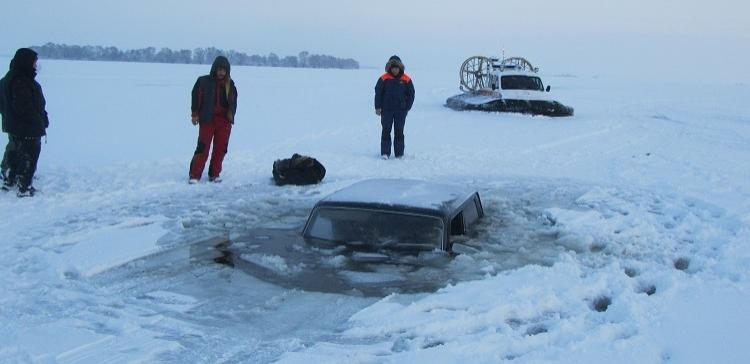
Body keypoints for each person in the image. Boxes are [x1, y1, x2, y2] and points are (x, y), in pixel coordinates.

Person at [0, 48, 49, 197]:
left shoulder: (10, 78)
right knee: (30, 155)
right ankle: (24, 187)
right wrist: (38, 121)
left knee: (15, 151)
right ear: (26, 62)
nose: (36, 65)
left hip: (14, 125)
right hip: (27, 127)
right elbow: (24, 106)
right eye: (34, 62)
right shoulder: (19, 81)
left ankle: (9, 178)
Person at [188, 55, 237, 184]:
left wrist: (231, 116)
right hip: (207, 120)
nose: (221, 72)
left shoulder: (230, 84)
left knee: (221, 149)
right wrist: (194, 114)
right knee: (202, 148)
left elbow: (233, 102)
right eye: (219, 69)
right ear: (214, 69)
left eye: (224, 70)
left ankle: (214, 174)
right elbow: (195, 97)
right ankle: (194, 175)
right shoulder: (203, 81)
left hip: (224, 122)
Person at [374, 55, 414, 159]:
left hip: (401, 111)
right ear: (389, 68)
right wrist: (378, 107)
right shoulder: (383, 78)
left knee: (399, 131)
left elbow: (411, 94)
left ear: (400, 68)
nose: (395, 70)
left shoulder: (406, 79)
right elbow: (378, 93)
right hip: (386, 110)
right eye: (393, 67)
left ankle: (399, 153)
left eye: (397, 67)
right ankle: (385, 153)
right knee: (386, 130)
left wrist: (407, 107)